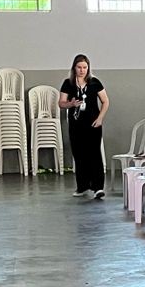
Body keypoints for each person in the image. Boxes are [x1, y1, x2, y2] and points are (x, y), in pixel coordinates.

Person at [59, 54, 109, 198]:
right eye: (79, 67)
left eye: (85, 67)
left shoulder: (95, 82)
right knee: (79, 154)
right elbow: (61, 103)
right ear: (74, 68)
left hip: (93, 123)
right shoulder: (68, 83)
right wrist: (71, 104)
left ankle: (98, 187)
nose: (82, 70)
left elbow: (105, 101)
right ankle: (82, 186)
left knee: (94, 153)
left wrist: (100, 118)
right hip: (76, 124)